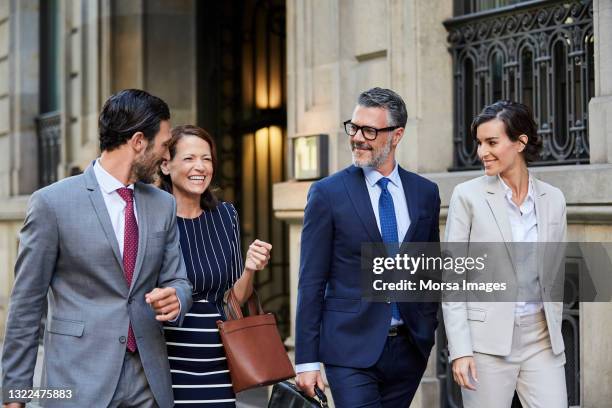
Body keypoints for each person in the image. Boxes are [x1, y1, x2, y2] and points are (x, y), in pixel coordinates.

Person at [1, 89, 193, 408]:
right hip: (77, 382)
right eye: (164, 145)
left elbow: (179, 281)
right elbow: (26, 303)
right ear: (138, 141)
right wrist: (14, 395)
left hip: (149, 381)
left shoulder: (163, 204)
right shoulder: (52, 203)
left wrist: (177, 298)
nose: (166, 157)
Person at [295, 87, 441, 406]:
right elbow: (311, 281)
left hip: (409, 350)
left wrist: (426, 330)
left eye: (370, 130)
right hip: (348, 350)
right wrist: (305, 360)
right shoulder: (327, 194)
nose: (358, 137)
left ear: (397, 135)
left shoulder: (425, 193)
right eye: (354, 127)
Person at [442, 101, 568, 407]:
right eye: (480, 143)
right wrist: (461, 350)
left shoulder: (553, 199)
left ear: (521, 142)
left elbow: (556, 272)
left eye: (492, 142)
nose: (482, 152)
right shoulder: (467, 196)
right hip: (486, 346)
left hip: (541, 340)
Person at [158, 125, 272, 407]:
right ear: (165, 165)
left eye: (206, 159)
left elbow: (234, 299)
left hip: (218, 360)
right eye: (189, 158)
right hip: (167, 361)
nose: (200, 167)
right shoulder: (151, 218)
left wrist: (249, 269)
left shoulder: (225, 215)